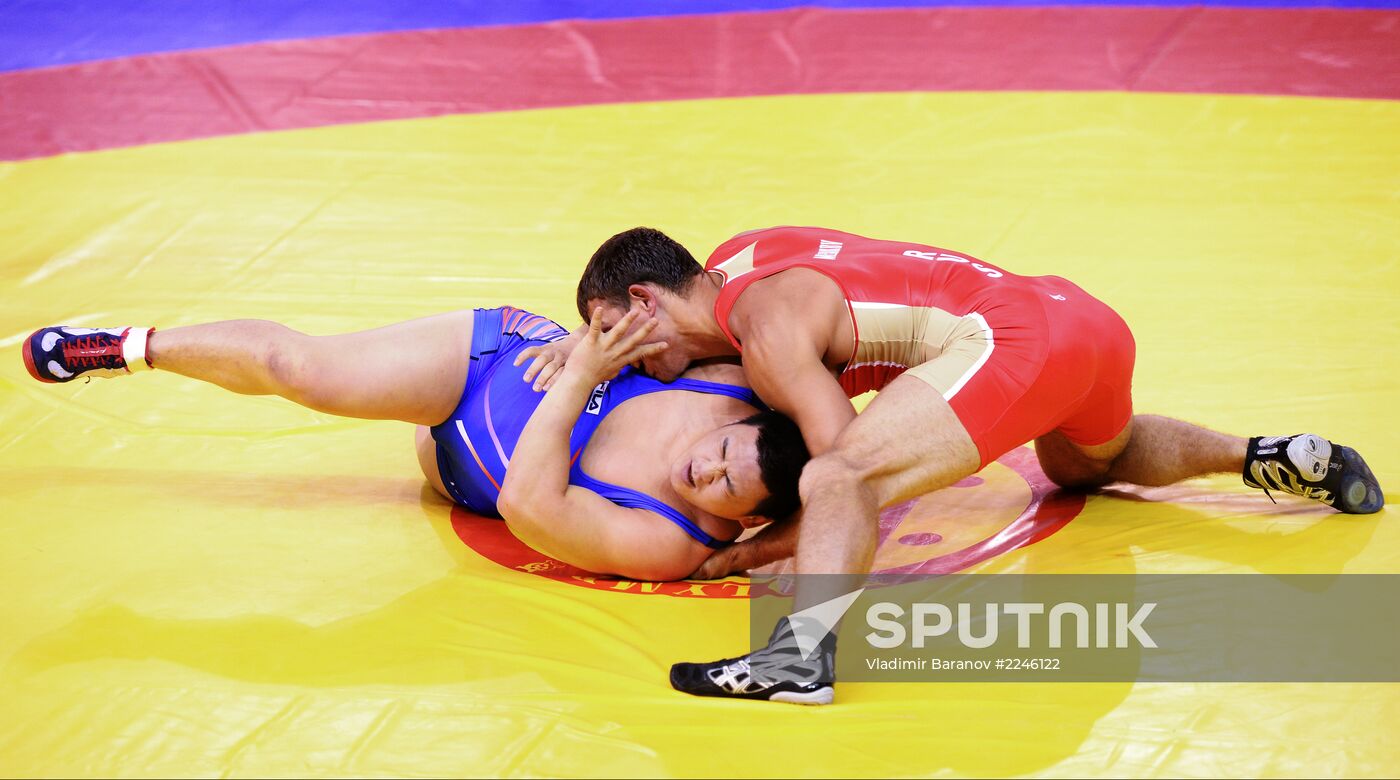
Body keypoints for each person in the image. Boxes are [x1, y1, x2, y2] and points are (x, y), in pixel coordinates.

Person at [555, 224, 1385, 705]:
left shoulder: (766, 336)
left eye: (610, 331)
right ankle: (1273, 457)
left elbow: (843, 470)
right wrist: (579, 346)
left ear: (645, 302)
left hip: (1010, 338)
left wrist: (742, 552)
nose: (617, 358)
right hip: (1075, 316)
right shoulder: (738, 258)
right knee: (1091, 460)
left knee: (840, 475)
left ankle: (796, 657)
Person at [21, 306, 810, 581]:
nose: (700, 469)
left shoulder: (671, 541)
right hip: (491, 357)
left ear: (739, 522)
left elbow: (529, 508)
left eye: (719, 488)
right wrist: (583, 335)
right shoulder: (735, 379)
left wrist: (582, 376)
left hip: (465, 465)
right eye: (721, 452)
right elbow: (673, 303)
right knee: (296, 366)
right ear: (742, 421)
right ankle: (125, 346)